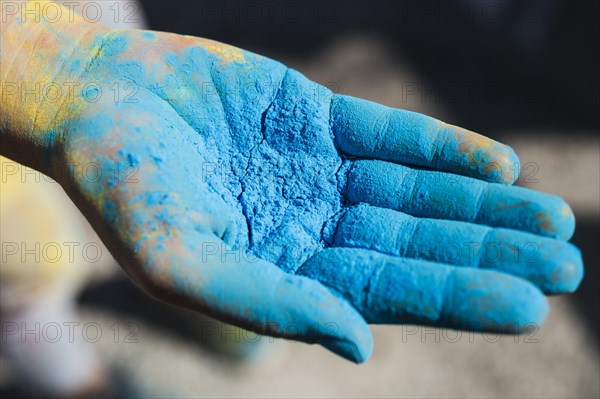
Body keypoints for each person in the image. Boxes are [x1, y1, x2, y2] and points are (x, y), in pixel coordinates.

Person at [1, 0, 583, 375]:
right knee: (28, 273)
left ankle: (224, 330)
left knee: (215, 255)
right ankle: (81, 383)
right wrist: (44, 75)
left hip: (79, 32)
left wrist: (63, 53)